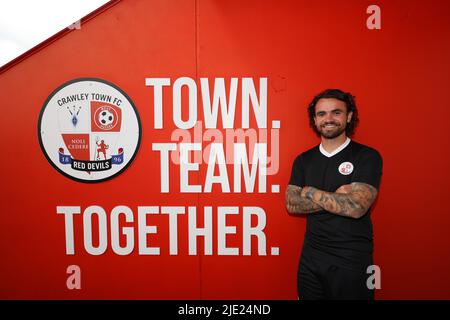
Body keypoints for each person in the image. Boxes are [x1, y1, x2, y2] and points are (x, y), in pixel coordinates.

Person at [285, 89, 382, 300]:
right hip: (311, 260)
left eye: (336, 112)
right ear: (315, 119)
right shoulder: (303, 160)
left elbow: (356, 207)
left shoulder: (367, 156)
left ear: (348, 117)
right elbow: (291, 204)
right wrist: (338, 197)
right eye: (322, 114)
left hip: (352, 261)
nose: (328, 119)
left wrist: (309, 192)